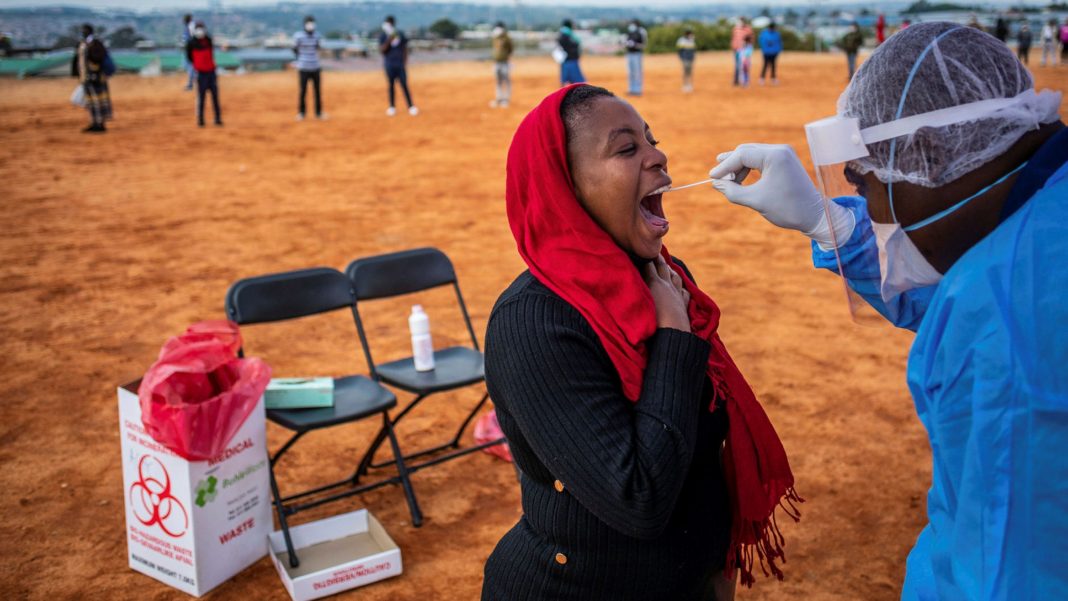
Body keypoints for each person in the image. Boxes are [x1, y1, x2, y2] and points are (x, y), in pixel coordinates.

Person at [710, 22, 1067, 600]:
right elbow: (957, 286)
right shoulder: (1042, 221)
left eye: (870, 184)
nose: (876, 211)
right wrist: (833, 224)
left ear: (927, 154)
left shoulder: (1007, 324)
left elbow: (1006, 573)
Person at [482, 83, 801, 601]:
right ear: (567, 187)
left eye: (651, 140)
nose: (659, 155)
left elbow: (698, 450)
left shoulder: (664, 278)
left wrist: (713, 569)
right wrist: (674, 339)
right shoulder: (534, 325)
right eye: (627, 148)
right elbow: (639, 499)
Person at [70, 23, 111, 133]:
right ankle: (95, 122)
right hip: (86, 77)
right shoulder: (82, 44)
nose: (83, 33)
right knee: (90, 101)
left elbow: (98, 58)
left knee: (97, 101)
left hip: (96, 77)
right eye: (82, 31)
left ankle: (99, 123)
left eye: (85, 31)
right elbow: (78, 61)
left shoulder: (95, 44)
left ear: (90, 31)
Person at [379, 15, 417, 116]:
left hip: (400, 65)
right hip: (389, 64)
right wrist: (389, 40)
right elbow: (382, 50)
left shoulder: (399, 34)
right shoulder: (383, 35)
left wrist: (404, 62)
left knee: (404, 85)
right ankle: (392, 107)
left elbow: (405, 48)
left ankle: (411, 106)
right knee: (391, 86)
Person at [186, 21, 222, 127]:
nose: (200, 31)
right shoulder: (191, 43)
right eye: (198, 28)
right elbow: (190, 57)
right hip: (201, 74)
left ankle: (217, 119)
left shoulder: (208, 40)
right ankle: (201, 120)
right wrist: (198, 65)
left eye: (201, 28)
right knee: (201, 98)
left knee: (215, 97)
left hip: (211, 72)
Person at [293, 15, 325, 121]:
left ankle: (318, 113)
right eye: (309, 23)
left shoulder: (317, 36)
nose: (310, 25)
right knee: (303, 91)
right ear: (304, 24)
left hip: (315, 67)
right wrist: (300, 60)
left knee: (317, 91)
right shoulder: (298, 36)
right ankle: (302, 113)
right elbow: (295, 49)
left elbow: (319, 48)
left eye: (312, 23)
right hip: (303, 67)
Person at [490, 21, 513, 108]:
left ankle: (506, 99)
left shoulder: (506, 38)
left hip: (504, 62)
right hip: (496, 62)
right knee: (498, 81)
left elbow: (510, 49)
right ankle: (498, 98)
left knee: (506, 81)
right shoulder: (495, 37)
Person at [623, 19, 647, 96]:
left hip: (637, 54)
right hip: (629, 53)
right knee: (630, 72)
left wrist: (635, 45)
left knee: (637, 72)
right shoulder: (630, 32)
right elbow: (626, 41)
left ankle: (638, 90)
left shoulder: (641, 32)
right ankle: (631, 89)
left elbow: (644, 45)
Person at [558, 19, 585, 85]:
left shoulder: (562, 34)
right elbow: (573, 46)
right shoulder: (567, 35)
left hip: (565, 60)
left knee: (566, 81)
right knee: (577, 82)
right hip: (571, 60)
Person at [730, 18, 753, 86]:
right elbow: (733, 38)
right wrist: (734, 46)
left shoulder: (748, 29)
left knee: (745, 67)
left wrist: (749, 45)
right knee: (738, 66)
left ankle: (745, 81)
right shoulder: (735, 29)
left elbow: (751, 38)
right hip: (737, 49)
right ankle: (737, 80)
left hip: (745, 50)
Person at [676, 28, 696, 93]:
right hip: (685, 59)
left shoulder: (692, 40)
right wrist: (681, 58)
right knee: (685, 72)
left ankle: (689, 85)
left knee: (690, 72)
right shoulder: (681, 40)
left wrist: (693, 58)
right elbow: (679, 50)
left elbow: (693, 50)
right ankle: (685, 85)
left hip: (690, 59)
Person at [181, 14, 195, 91]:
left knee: (191, 67)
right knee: (190, 67)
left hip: (191, 50)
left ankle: (190, 84)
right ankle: (191, 83)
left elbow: (193, 38)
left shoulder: (191, 26)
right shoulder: (189, 26)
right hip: (189, 49)